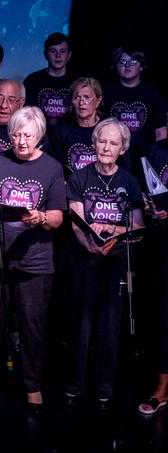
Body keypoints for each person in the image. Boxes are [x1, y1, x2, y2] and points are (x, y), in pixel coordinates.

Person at [0, 107, 66, 410]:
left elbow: (57, 218)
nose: (21, 141)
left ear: (39, 136)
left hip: (34, 260)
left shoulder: (51, 168)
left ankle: (32, 384)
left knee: (32, 325)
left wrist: (40, 217)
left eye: (27, 135)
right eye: (16, 134)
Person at [65, 118, 143, 411]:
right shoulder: (79, 178)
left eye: (113, 143)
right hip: (84, 261)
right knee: (80, 323)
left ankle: (105, 385)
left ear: (122, 148)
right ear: (93, 143)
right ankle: (75, 383)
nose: (106, 147)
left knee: (110, 325)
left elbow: (137, 224)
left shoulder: (129, 181)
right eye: (102, 141)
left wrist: (115, 232)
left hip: (116, 263)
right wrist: (90, 241)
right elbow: (75, 222)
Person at [138, 133, 168, 416]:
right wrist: (150, 208)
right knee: (163, 315)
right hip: (162, 244)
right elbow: (148, 189)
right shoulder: (156, 150)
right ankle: (162, 387)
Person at [103, 47, 167, 161]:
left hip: (146, 157)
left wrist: (157, 159)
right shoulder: (106, 94)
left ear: (141, 66)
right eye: (122, 61)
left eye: (133, 61)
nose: (127, 65)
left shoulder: (153, 95)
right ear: (115, 66)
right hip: (114, 157)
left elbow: (161, 132)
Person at [47, 77, 104, 175]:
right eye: (77, 97)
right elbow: (54, 168)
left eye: (87, 97)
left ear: (98, 101)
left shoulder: (109, 130)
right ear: (72, 102)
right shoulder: (61, 131)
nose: (81, 102)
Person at [24, 32, 75, 125]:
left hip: (69, 137)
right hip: (40, 136)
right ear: (45, 54)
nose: (58, 56)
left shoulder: (77, 82)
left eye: (62, 51)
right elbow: (26, 116)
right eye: (53, 51)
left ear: (69, 55)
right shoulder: (32, 81)